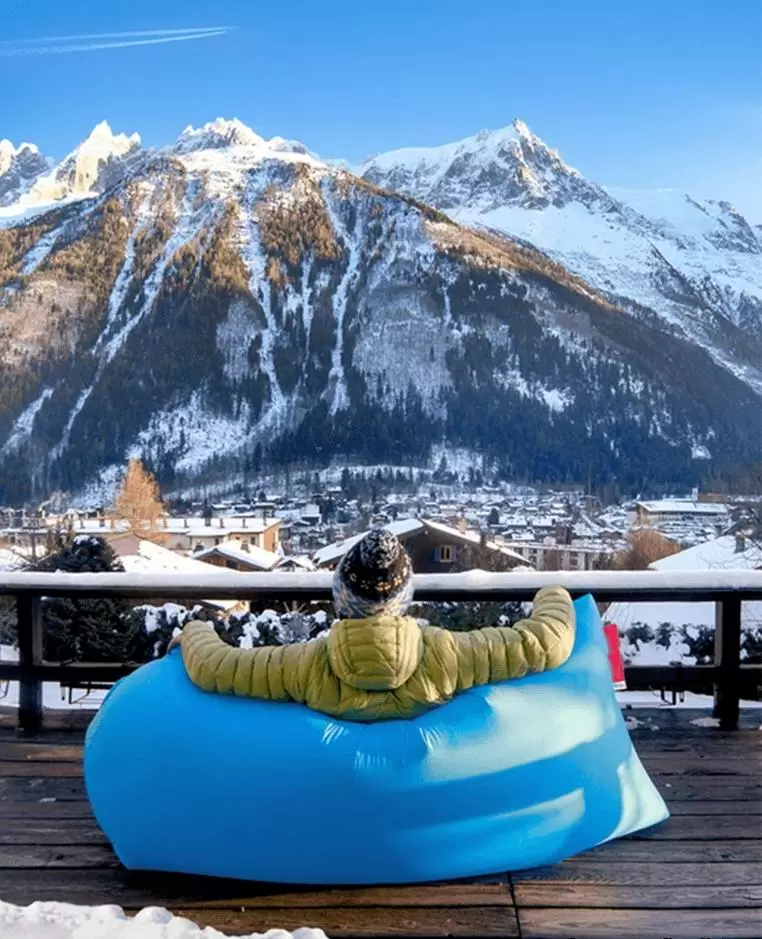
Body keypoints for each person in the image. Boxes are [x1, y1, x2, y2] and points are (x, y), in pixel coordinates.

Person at [168, 528, 575, 721]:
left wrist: (195, 630)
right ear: (403, 598)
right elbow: (545, 642)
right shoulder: (452, 656)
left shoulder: (304, 664)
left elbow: (214, 667)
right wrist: (552, 591)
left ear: (341, 596)